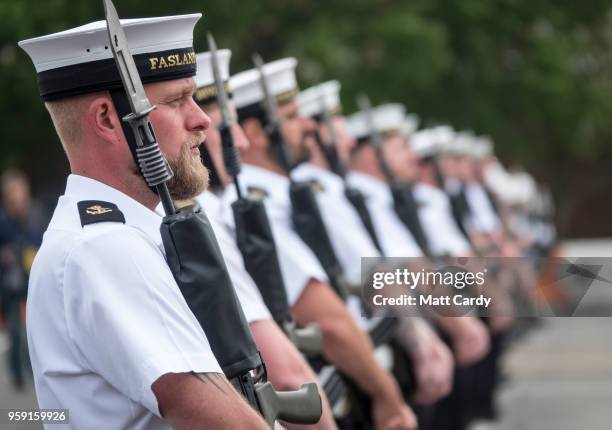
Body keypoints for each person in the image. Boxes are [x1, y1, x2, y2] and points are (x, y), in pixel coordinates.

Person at [19, 14, 268, 429]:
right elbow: (217, 417)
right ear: (106, 119)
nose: (203, 119)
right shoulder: (104, 246)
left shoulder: (135, 233)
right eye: (176, 101)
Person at [227, 57, 418, 430]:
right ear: (258, 131)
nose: (310, 126)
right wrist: (387, 394)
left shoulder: (286, 195)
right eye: (293, 115)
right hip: (328, 384)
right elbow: (326, 319)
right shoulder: (256, 205)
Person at [188, 49, 337, 430]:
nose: (240, 141)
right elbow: (288, 372)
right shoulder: (198, 218)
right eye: (226, 127)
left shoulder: (220, 209)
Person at [0, 169, 44, 388]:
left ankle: (32, 371)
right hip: (11, 284)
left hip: (31, 280)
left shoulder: (33, 218)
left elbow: (39, 242)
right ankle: (17, 374)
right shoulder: (4, 222)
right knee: (16, 330)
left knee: (35, 329)